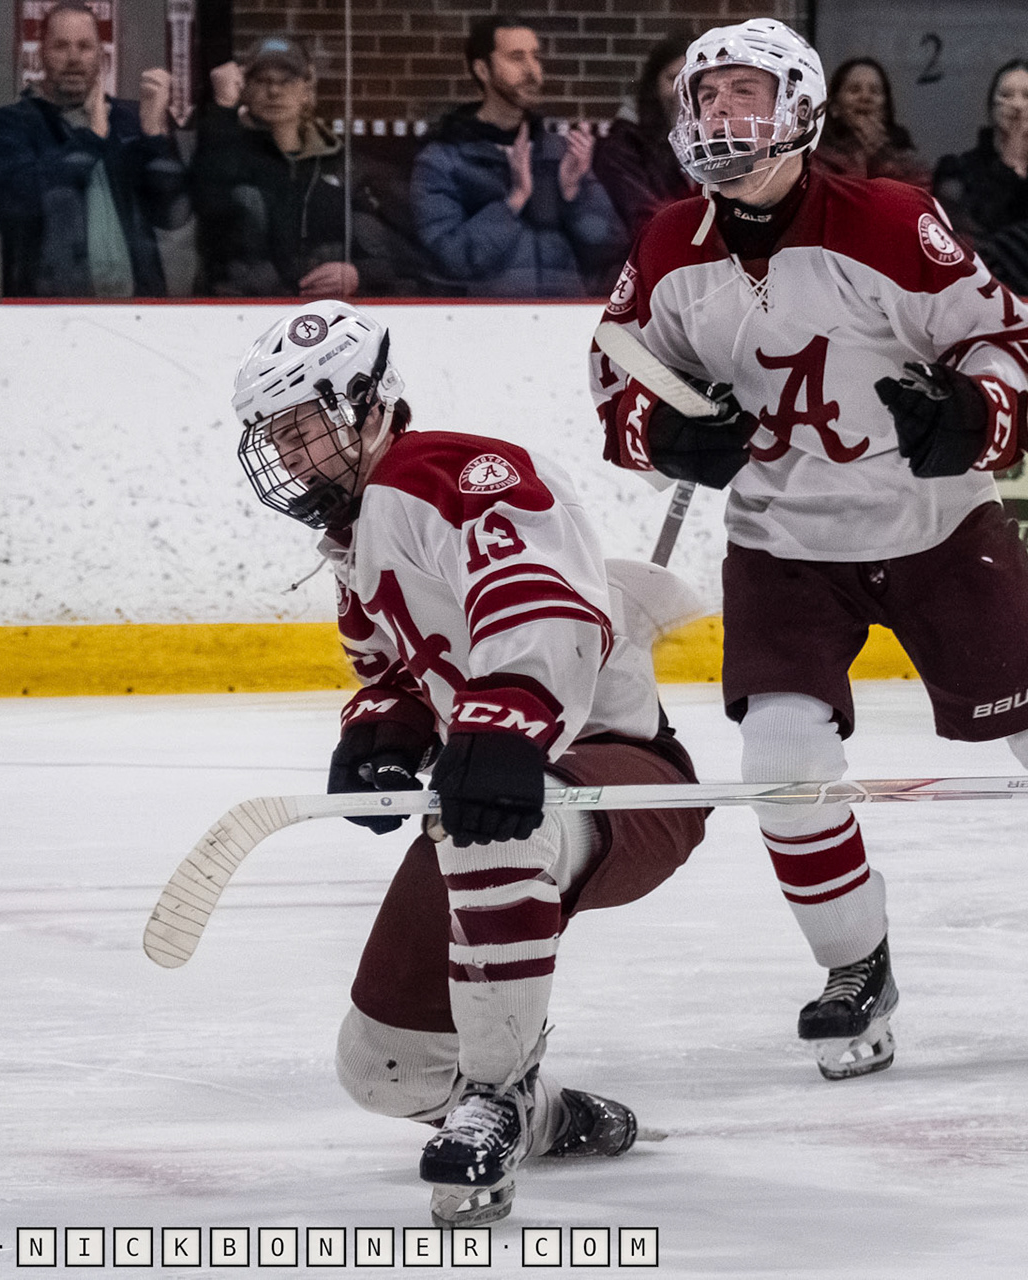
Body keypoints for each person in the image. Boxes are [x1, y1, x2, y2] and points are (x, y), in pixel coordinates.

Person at [590, 19, 1028, 1083]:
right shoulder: (669, 244)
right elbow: (618, 378)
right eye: (705, 97)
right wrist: (657, 429)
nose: (721, 115)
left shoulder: (893, 221)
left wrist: (974, 415)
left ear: (803, 109)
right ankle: (857, 967)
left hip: (937, 528)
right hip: (783, 544)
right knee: (781, 759)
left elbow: (1010, 348)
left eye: (745, 94)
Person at [231, 300, 708, 1226]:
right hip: (503, 791)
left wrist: (502, 724)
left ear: (368, 405)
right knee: (386, 1068)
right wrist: (380, 742)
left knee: (485, 827)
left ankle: (494, 1093)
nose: (288, 456)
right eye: (274, 436)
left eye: (303, 430)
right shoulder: (358, 542)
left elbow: (545, 609)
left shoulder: (448, 472)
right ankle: (548, 1114)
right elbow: (395, 675)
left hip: (623, 776)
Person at [411, 15, 626, 296]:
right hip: (481, 327)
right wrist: (513, 201)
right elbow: (450, 259)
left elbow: (609, 249)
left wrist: (574, 193)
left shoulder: (558, 151)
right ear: (483, 70)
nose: (532, 70)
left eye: (535, 57)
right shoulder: (443, 160)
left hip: (565, 322)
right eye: (516, 57)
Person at [0, 1, 186, 297]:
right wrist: (93, 137)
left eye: (85, 46)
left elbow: (172, 215)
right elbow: (20, 205)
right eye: (61, 46)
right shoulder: (13, 123)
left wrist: (155, 135)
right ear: (41, 54)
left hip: (138, 311)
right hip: (50, 313)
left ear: (101, 56)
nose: (74, 58)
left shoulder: (130, 119)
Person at [190, 36, 388, 297]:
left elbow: (389, 257)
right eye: (262, 81)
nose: (274, 91)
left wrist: (357, 274)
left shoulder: (338, 160)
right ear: (244, 89)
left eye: (287, 81)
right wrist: (223, 108)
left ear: (307, 90)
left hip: (326, 313)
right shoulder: (224, 151)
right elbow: (208, 203)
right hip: (241, 312)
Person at [930, 58, 1028, 295]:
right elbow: (965, 235)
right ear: (991, 108)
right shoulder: (960, 168)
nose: (1017, 105)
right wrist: (1008, 169)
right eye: (1006, 95)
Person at [593, 35, 697, 244]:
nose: (682, 90)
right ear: (654, 84)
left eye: (693, 79)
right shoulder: (623, 145)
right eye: (673, 78)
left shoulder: (715, 140)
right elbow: (646, 219)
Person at [814, 57, 929, 186]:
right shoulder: (816, 152)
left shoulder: (904, 152)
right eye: (854, 90)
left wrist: (881, 154)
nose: (865, 97)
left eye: (874, 91)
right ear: (835, 106)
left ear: (886, 107)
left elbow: (919, 195)